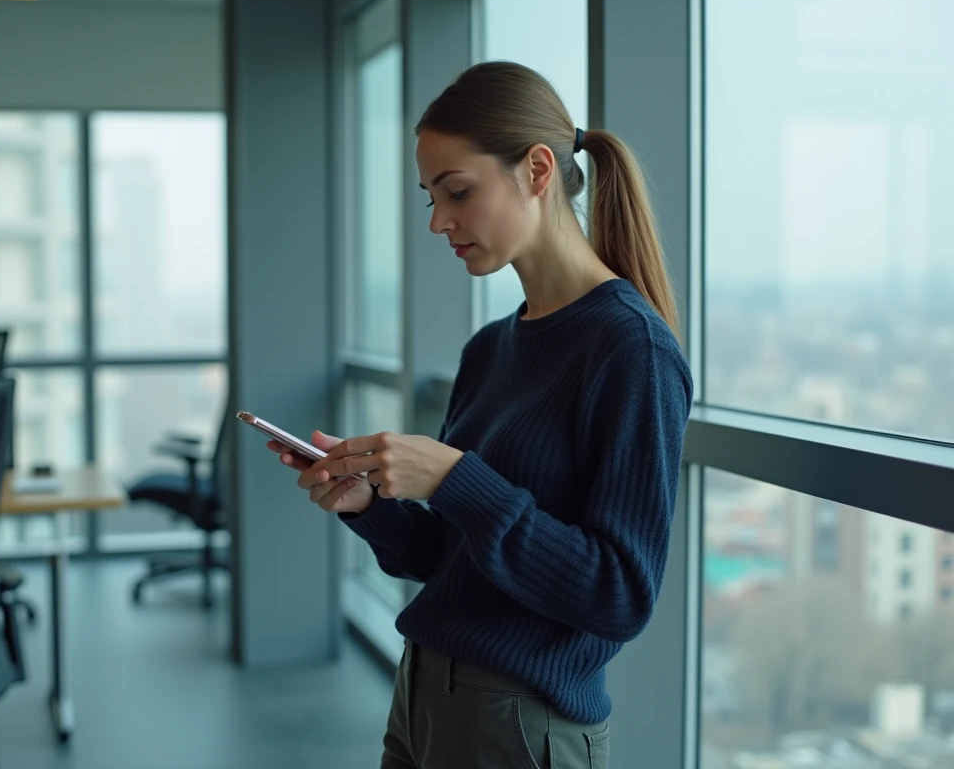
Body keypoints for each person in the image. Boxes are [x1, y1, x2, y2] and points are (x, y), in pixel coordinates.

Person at [268, 61, 692, 769]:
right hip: (423, 698)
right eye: (431, 198)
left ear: (537, 170)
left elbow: (620, 595)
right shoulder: (490, 349)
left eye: (457, 191)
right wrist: (367, 504)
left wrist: (454, 477)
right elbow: (450, 558)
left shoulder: (629, 348)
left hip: (518, 723)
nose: (439, 221)